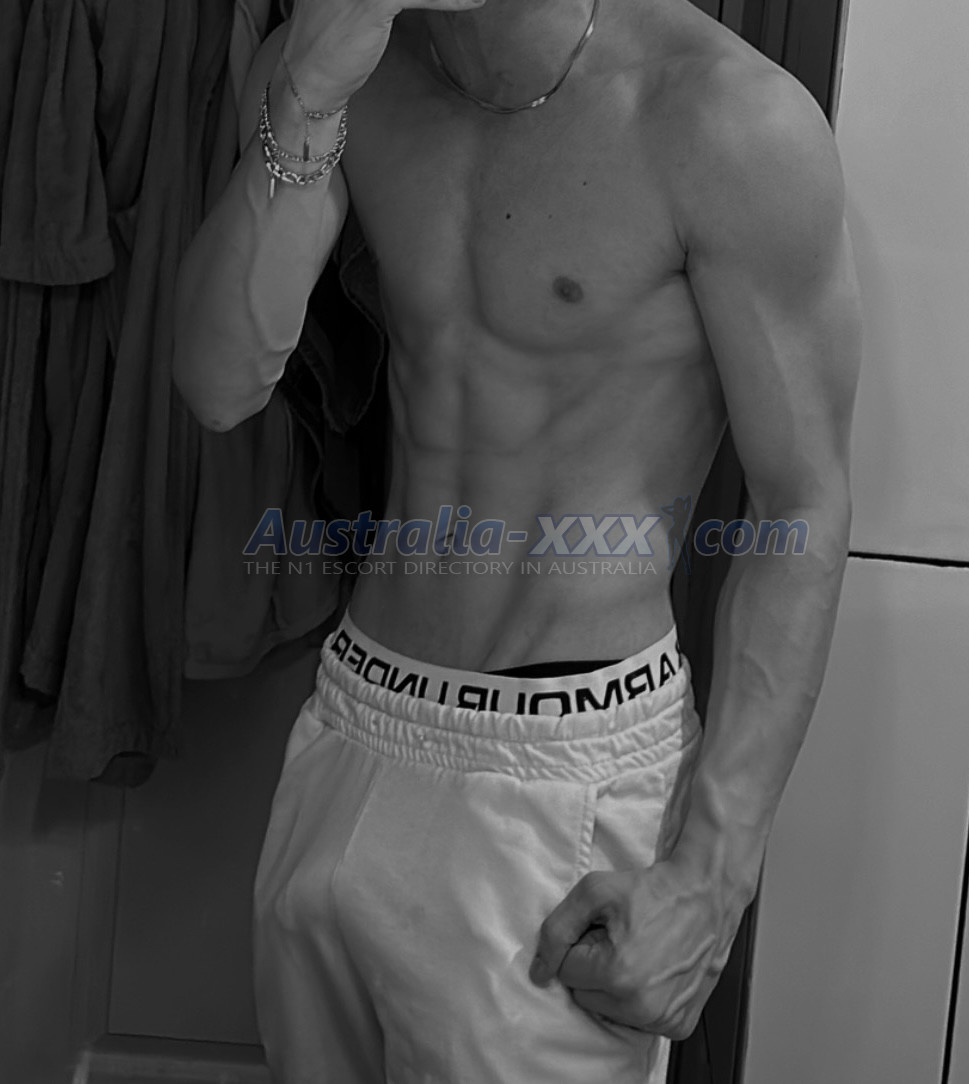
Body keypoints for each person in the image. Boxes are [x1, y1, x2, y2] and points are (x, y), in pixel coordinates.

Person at [173, 0, 863, 1079]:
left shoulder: (724, 119)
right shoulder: (342, 71)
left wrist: (710, 880)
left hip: (563, 778)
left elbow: (800, 505)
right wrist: (304, 95)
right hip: (350, 723)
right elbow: (218, 386)